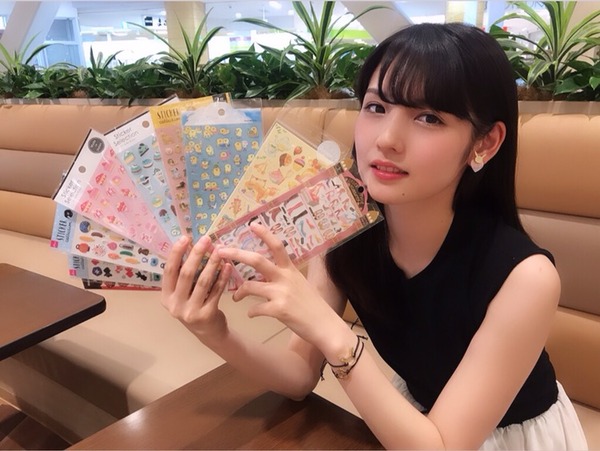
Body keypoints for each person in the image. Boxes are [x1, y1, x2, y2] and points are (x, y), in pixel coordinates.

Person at [161, 22, 588, 450]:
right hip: (418, 425)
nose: (386, 139)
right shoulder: (345, 229)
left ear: (485, 143)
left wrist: (331, 330)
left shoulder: (526, 278)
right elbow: (298, 376)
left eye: (428, 117)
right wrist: (214, 331)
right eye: (376, 107)